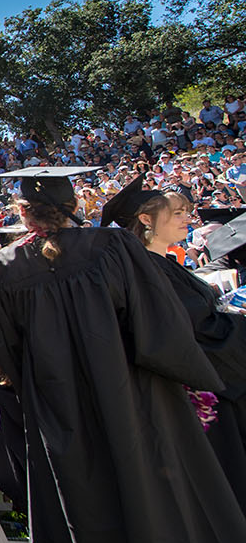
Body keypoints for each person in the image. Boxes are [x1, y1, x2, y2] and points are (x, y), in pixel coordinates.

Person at [0, 167, 246, 543]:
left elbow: (3, 353)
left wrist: (45, 388)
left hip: (59, 413)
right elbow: (160, 324)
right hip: (134, 403)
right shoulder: (113, 246)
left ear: (23, 215)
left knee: (89, 507)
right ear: (75, 208)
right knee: (147, 506)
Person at [101, 178, 246, 514]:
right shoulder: (147, 271)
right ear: (147, 220)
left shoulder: (160, 265)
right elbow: (196, 331)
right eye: (176, 212)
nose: (186, 218)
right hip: (199, 391)